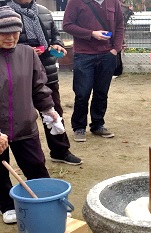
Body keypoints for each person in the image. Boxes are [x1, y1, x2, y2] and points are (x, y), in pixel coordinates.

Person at [0, 6, 60, 224]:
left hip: (25, 125)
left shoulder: (27, 53)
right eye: (4, 32)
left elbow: (39, 86)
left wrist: (49, 110)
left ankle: (46, 201)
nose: (11, 37)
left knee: (36, 165)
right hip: (0, 130)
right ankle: (6, 206)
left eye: (15, 31)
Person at [7, 0, 82, 165]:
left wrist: (57, 44)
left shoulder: (44, 11)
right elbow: (6, 41)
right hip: (17, 75)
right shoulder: (4, 12)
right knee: (18, 117)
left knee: (54, 112)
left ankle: (60, 151)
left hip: (46, 71)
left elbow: (54, 35)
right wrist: (24, 50)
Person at [62, 0, 124, 142]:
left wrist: (116, 49)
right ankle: (79, 127)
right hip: (84, 55)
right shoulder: (76, 2)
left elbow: (120, 25)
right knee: (82, 93)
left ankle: (97, 125)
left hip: (107, 54)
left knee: (101, 93)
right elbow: (67, 25)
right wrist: (91, 33)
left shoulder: (113, 2)